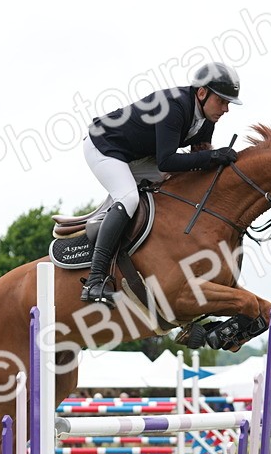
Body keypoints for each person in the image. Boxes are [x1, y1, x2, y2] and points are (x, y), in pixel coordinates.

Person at [79, 62, 243, 306]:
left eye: (228, 103)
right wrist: (214, 156)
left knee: (177, 187)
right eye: (222, 101)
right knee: (129, 198)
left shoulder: (207, 117)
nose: (226, 109)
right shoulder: (175, 107)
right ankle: (94, 282)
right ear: (201, 93)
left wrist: (214, 160)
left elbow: (199, 157)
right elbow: (167, 161)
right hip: (105, 147)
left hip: (139, 156)